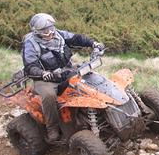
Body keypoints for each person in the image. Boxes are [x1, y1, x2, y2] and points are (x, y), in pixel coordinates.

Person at [22, 13, 104, 141]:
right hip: (46, 79)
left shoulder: (59, 35)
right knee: (49, 96)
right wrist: (43, 73)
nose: (49, 33)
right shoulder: (30, 44)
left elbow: (76, 38)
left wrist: (93, 43)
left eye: (50, 28)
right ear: (36, 31)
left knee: (89, 80)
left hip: (66, 71)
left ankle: (97, 110)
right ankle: (52, 127)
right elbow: (30, 66)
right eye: (44, 30)